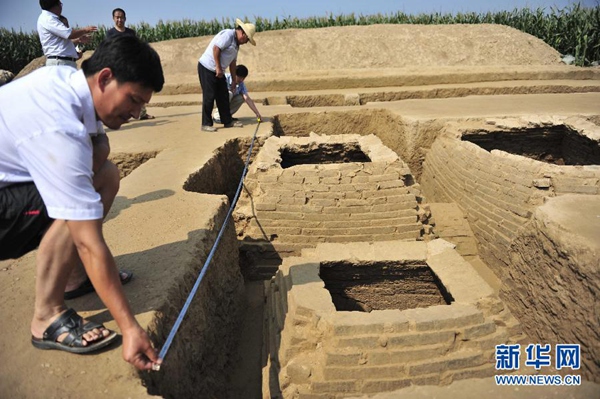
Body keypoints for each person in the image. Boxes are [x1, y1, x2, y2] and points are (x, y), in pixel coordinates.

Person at [0, 35, 165, 370]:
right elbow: (88, 241)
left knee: (105, 173)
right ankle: (46, 316)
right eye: (133, 100)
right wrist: (129, 327)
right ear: (104, 78)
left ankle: (73, 279)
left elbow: (98, 151)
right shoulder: (60, 124)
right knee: (72, 205)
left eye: (141, 105)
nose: (136, 114)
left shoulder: (64, 81)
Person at [198, 18, 256, 132]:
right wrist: (218, 67)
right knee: (209, 96)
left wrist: (234, 80)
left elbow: (233, 63)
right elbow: (216, 49)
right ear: (243, 33)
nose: (246, 42)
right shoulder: (228, 35)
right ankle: (206, 124)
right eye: (247, 39)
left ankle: (227, 121)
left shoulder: (236, 45)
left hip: (219, 71)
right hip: (207, 67)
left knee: (223, 95)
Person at [104, 7, 155, 120]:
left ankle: (141, 113)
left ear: (125, 19)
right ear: (113, 18)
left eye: (121, 17)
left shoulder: (130, 32)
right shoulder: (110, 33)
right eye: (117, 17)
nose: (119, 20)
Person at [37, 0, 97, 68]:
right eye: (60, 4)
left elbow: (61, 45)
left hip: (63, 62)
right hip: (60, 63)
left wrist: (78, 40)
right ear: (56, 6)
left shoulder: (48, 18)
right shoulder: (48, 19)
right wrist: (85, 30)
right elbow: (69, 34)